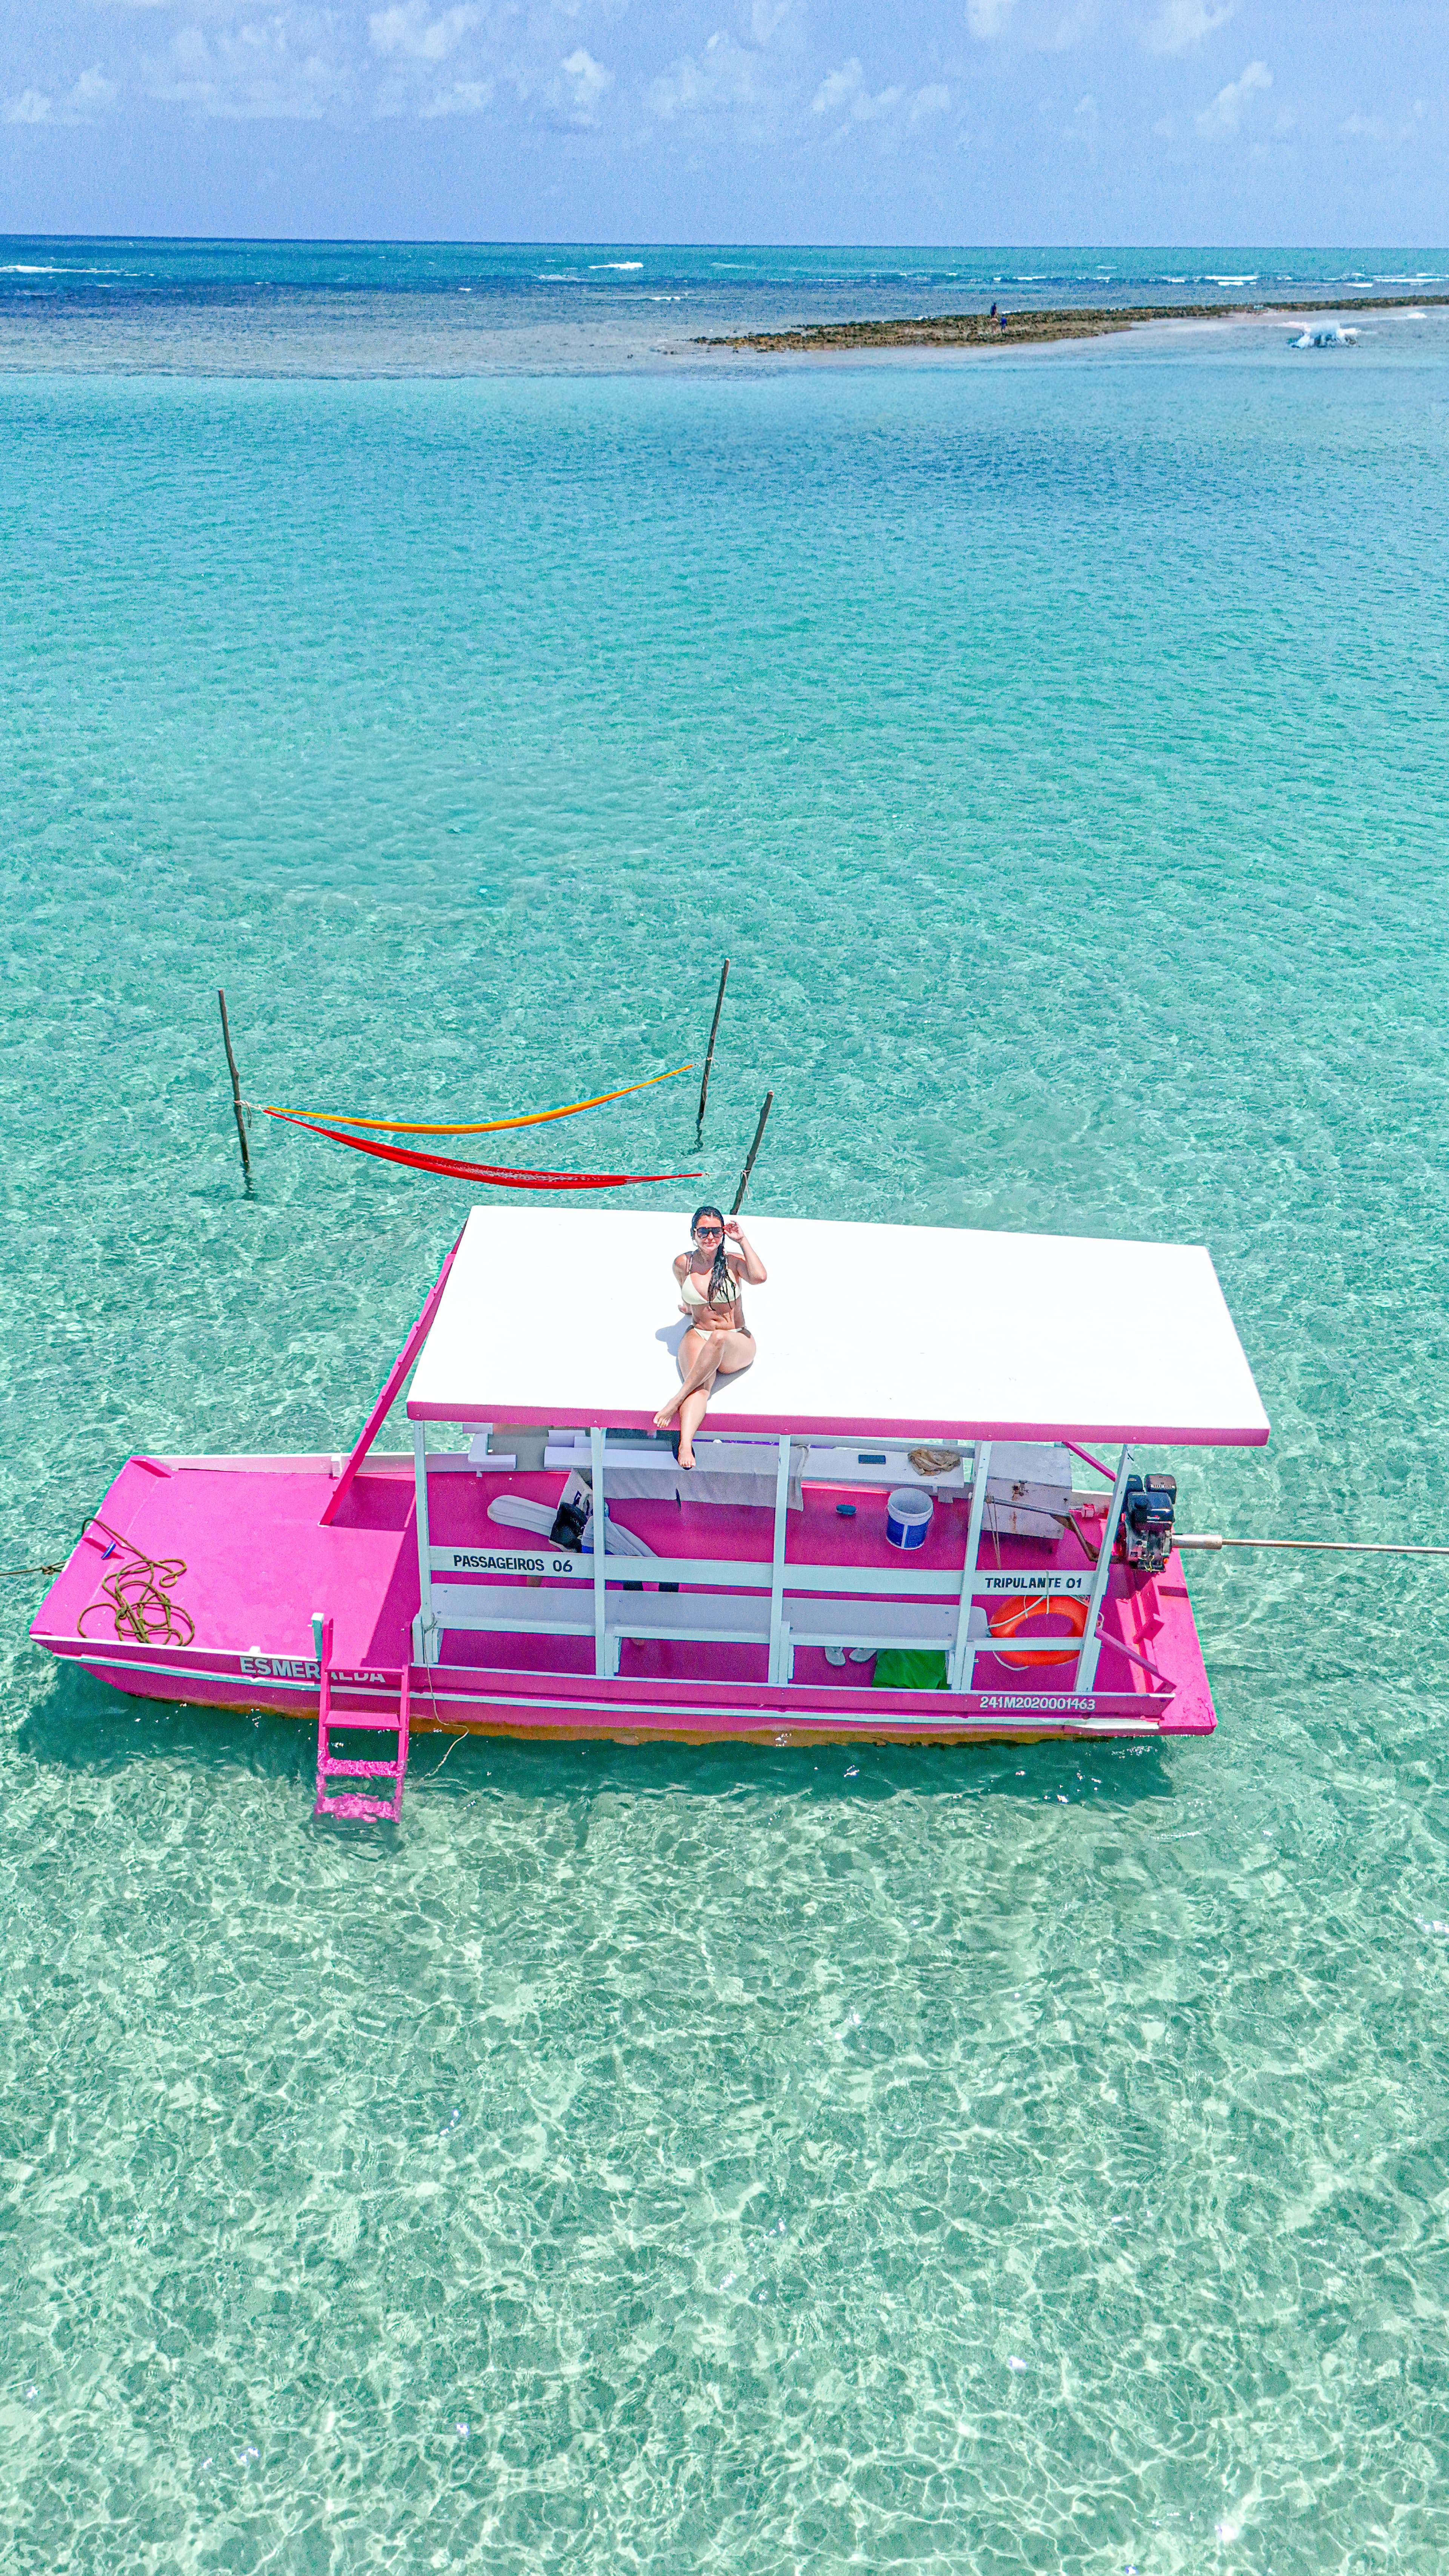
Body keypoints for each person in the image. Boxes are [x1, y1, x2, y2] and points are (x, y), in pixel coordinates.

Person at [654, 1205, 767, 1469]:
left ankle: (676, 1400)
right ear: (693, 1233)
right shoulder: (683, 1264)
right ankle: (685, 1444)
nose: (710, 1237)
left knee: (718, 1338)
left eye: (716, 1231)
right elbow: (686, 1296)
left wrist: (742, 1240)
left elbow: (760, 1277)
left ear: (723, 1233)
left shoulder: (733, 1262)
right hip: (699, 1333)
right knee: (701, 1388)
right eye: (703, 1231)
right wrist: (687, 1309)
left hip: (735, 1340)